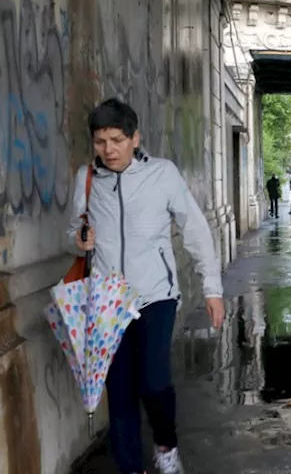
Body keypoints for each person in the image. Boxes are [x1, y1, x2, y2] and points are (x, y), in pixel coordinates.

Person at [69, 98, 224, 474]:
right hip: (107, 300)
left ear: (135, 138)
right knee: (119, 392)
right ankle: (129, 467)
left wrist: (212, 287)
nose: (109, 149)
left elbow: (195, 229)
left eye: (117, 140)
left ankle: (166, 446)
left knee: (154, 382)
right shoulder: (86, 178)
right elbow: (73, 228)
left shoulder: (163, 174)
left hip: (156, 296)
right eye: (100, 141)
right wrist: (79, 238)